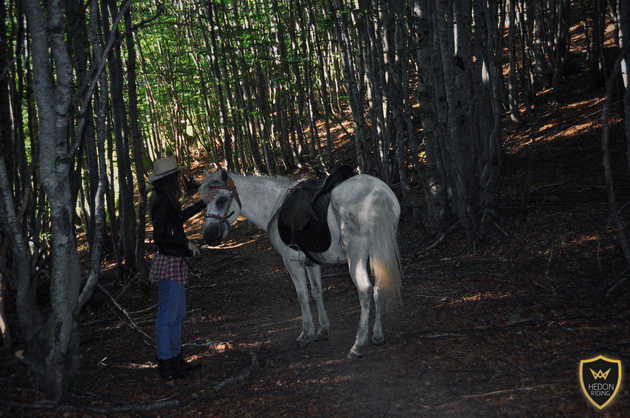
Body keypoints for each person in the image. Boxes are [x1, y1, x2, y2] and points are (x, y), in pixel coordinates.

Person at [147, 156, 215, 380]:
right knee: (167, 317)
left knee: (176, 316)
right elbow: (160, 237)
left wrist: (203, 203)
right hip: (169, 262)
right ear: (170, 177)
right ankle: (166, 363)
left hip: (174, 261)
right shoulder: (160, 199)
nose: (179, 178)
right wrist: (185, 244)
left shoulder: (165, 197)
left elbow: (178, 219)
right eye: (176, 174)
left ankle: (175, 360)